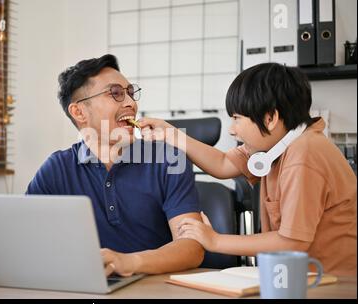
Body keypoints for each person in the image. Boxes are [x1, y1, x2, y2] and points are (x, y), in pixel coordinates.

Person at [139, 63, 357, 276]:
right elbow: (223, 163)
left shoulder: (305, 154)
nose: (232, 130)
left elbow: (292, 242)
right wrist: (171, 134)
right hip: (298, 279)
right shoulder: (274, 147)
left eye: (237, 119)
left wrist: (214, 240)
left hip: (334, 284)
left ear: (270, 118)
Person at [26, 54, 204, 277]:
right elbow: (26, 240)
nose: (131, 103)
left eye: (130, 92)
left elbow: (192, 249)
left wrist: (129, 262)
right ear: (79, 112)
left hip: (157, 289)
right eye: (116, 94)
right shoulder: (56, 169)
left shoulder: (169, 159)